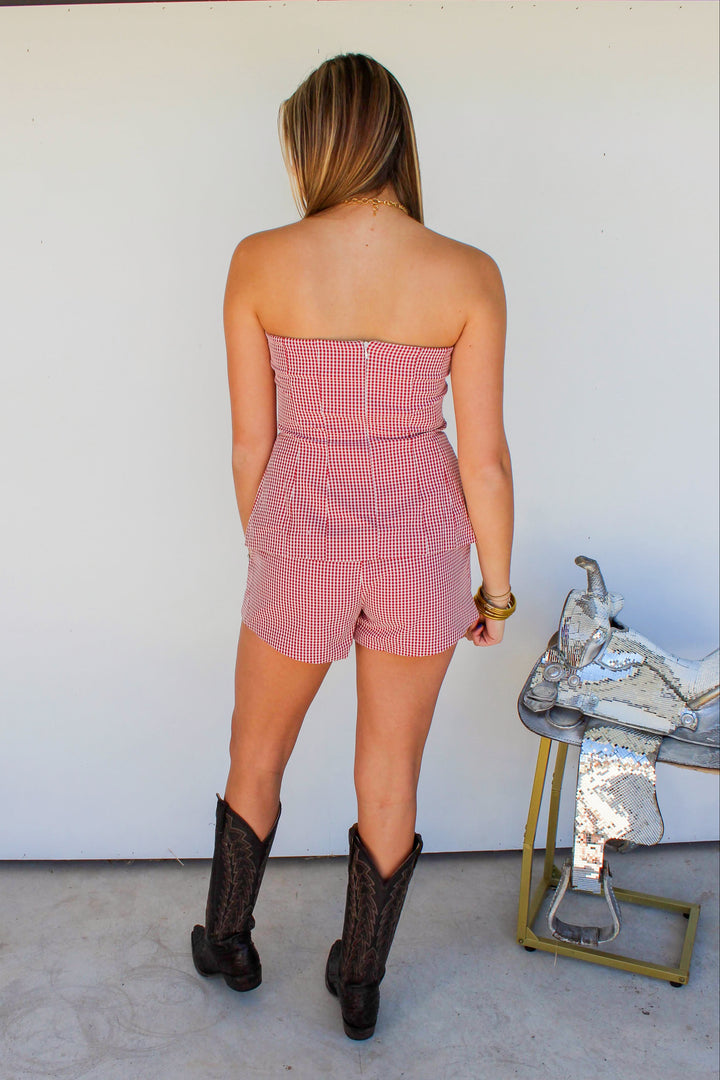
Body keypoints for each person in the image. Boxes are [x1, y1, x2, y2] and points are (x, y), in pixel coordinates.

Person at [191, 52, 515, 1041]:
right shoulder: (466, 272)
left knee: (258, 751)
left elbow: (253, 442)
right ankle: (361, 980)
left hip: (304, 530)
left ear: (318, 146)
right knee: (391, 774)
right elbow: (487, 458)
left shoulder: (259, 259)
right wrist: (493, 591)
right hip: (422, 538)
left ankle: (230, 941)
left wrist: (281, 552)